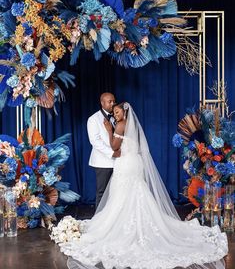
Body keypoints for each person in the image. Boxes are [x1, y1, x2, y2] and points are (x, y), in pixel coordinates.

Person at [61, 102, 228, 269]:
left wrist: (109, 130)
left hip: (126, 164)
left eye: (117, 112)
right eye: (114, 112)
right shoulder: (132, 126)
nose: (115, 115)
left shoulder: (120, 125)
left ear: (124, 113)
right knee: (135, 191)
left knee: (122, 194)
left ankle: (122, 226)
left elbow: (114, 146)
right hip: (135, 162)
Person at [87, 92, 120, 208]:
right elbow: (95, 141)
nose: (113, 104)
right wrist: (112, 153)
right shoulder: (93, 119)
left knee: (116, 192)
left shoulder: (117, 116)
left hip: (119, 161)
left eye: (113, 101)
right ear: (102, 103)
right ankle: (99, 218)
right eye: (109, 101)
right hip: (103, 162)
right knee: (102, 192)